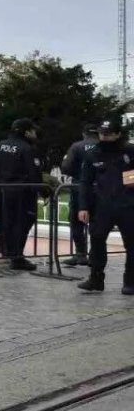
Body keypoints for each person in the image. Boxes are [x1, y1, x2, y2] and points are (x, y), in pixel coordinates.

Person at [76, 118, 134, 295]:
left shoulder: (130, 151)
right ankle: (96, 279)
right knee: (97, 240)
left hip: (128, 204)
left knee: (131, 245)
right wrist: (83, 207)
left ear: (117, 134)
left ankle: (130, 282)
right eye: (102, 134)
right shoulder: (93, 153)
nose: (104, 137)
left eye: (108, 134)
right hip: (102, 205)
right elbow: (85, 181)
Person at [0, 118, 42, 271]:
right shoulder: (27, 149)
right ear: (26, 132)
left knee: (5, 221)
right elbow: (34, 173)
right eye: (33, 131)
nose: (35, 133)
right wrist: (43, 190)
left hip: (1, 189)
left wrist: (1, 176)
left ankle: (6, 250)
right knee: (23, 222)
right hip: (21, 193)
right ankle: (17, 257)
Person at [60, 123, 99, 267]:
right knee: (97, 223)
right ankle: (96, 254)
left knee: (76, 221)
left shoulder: (77, 146)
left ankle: (80, 253)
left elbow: (66, 167)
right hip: (101, 189)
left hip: (79, 188)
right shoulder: (104, 147)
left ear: (84, 134)